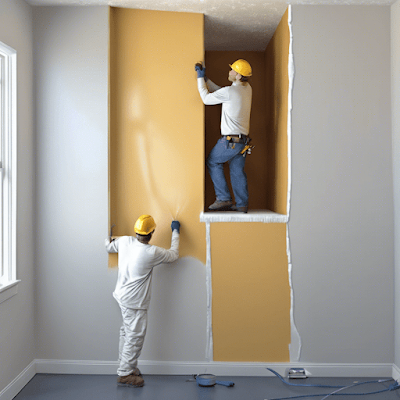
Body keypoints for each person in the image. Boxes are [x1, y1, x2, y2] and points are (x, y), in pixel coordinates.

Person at [105, 215, 180, 387]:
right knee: (135, 336)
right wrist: (175, 231)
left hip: (122, 296)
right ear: (152, 232)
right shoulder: (152, 252)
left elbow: (109, 247)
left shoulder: (124, 241)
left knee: (127, 331)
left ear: (136, 230)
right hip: (134, 302)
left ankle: (126, 366)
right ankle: (124, 374)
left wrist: (108, 239)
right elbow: (174, 255)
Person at [195, 59, 253, 213]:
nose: (230, 72)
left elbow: (207, 99)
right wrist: (207, 80)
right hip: (242, 142)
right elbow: (223, 92)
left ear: (239, 76)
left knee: (212, 162)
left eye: (233, 70)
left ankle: (223, 198)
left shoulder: (230, 92)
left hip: (230, 142)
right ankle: (242, 204)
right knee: (237, 172)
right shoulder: (247, 89)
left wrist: (200, 78)